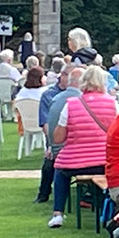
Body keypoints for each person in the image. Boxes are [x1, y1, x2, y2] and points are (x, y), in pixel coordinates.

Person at [48, 66, 119, 228]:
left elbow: (58, 138)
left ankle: (57, 213)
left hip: (75, 163)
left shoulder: (71, 105)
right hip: (104, 161)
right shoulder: (113, 104)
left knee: (60, 172)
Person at [36, 67, 81, 204]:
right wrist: (51, 143)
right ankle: (44, 193)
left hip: (75, 138)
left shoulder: (81, 94)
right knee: (50, 162)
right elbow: (45, 123)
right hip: (55, 137)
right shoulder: (49, 95)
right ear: (62, 76)